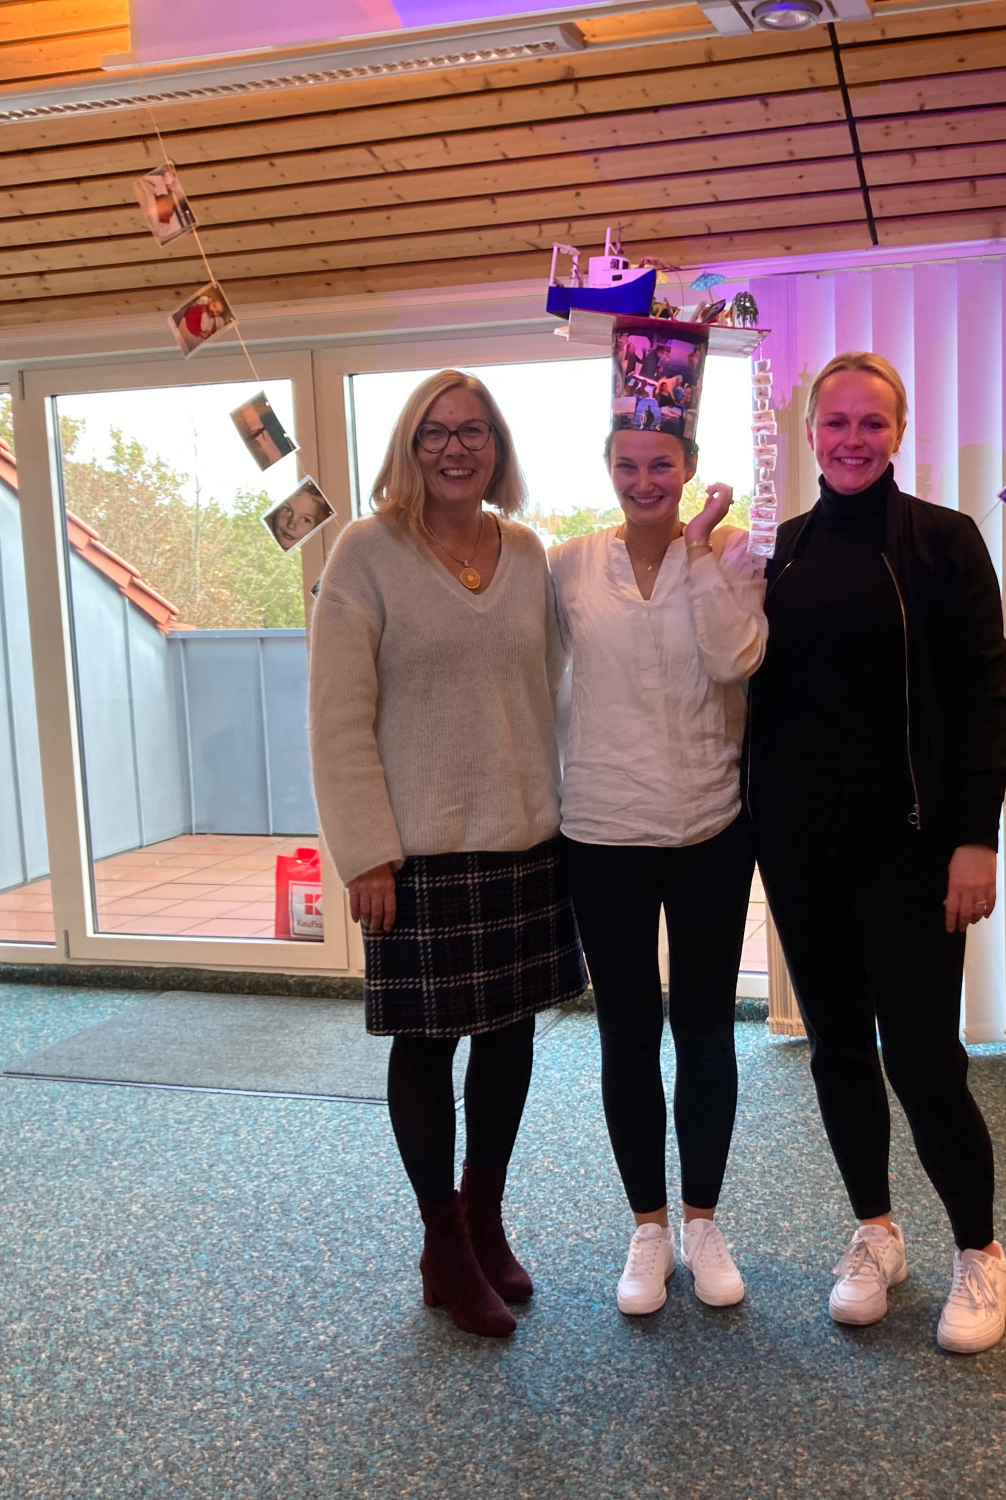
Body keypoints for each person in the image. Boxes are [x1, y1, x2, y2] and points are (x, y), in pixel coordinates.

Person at [747, 350, 1006, 1355]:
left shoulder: (943, 543)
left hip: (910, 845)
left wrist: (975, 838)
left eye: (872, 423)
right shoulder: (778, 553)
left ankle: (979, 1251)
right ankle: (874, 1233)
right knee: (836, 1050)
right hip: (800, 845)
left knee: (921, 1056)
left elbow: (988, 701)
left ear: (898, 433)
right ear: (810, 433)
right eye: (836, 422)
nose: (852, 439)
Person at [309, 369, 587, 1339]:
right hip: (415, 856)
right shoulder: (364, 554)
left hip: (523, 840)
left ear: (496, 448)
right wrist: (364, 855)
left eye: (472, 432)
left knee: (509, 1040)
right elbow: (337, 720)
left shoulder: (527, 552)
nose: (454, 448)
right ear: (408, 446)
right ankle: (441, 1246)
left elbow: (548, 692)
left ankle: (483, 1221)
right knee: (427, 1047)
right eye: (434, 432)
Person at [550, 425, 766, 1317]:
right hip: (602, 832)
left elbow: (734, 659)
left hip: (712, 825)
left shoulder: (733, 554)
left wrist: (701, 544)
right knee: (629, 1034)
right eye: (628, 466)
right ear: (608, 471)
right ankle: (648, 1227)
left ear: (689, 470)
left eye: (662, 466)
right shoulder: (567, 565)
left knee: (707, 1032)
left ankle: (703, 1221)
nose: (645, 481)